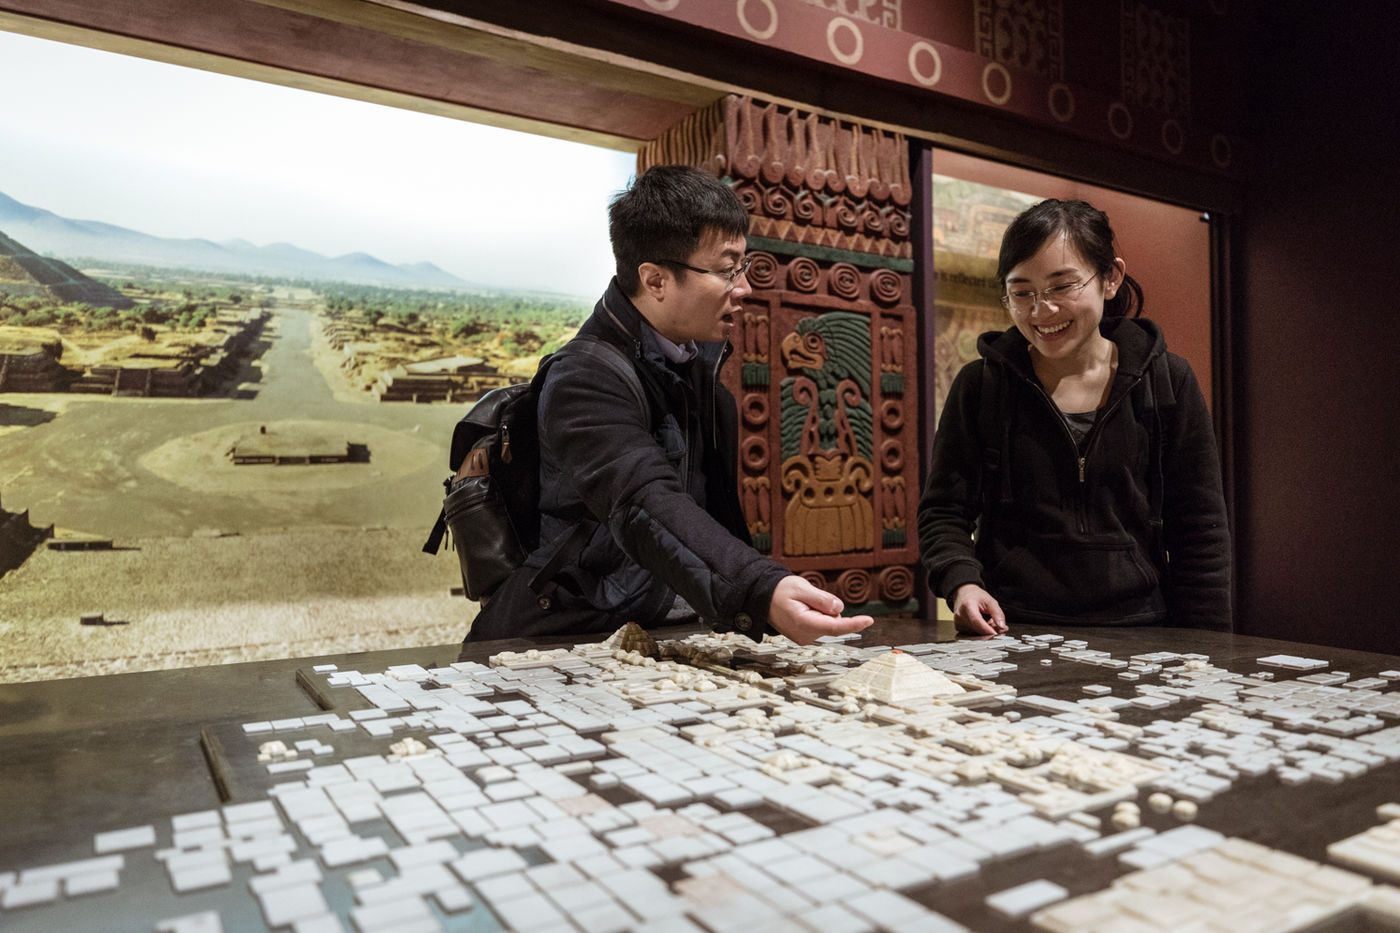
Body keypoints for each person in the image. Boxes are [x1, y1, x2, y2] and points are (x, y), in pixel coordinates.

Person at [467, 165, 874, 645]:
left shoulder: (696, 366)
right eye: (726, 271)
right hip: (572, 631)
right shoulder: (584, 378)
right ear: (655, 280)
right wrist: (759, 587)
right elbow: (645, 501)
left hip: (663, 625)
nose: (743, 288)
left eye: (743, 267)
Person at [917, 198, 1231, 635]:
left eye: (1062, 286)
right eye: (1022, 293)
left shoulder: (1168, 381)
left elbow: (1200, 530)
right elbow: (943, 512)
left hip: (1141, 631)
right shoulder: (981, 385)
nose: (1041, 311)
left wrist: (1207, 651)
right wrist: (962, 583)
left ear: (1110, 278)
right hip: (1009, 630)